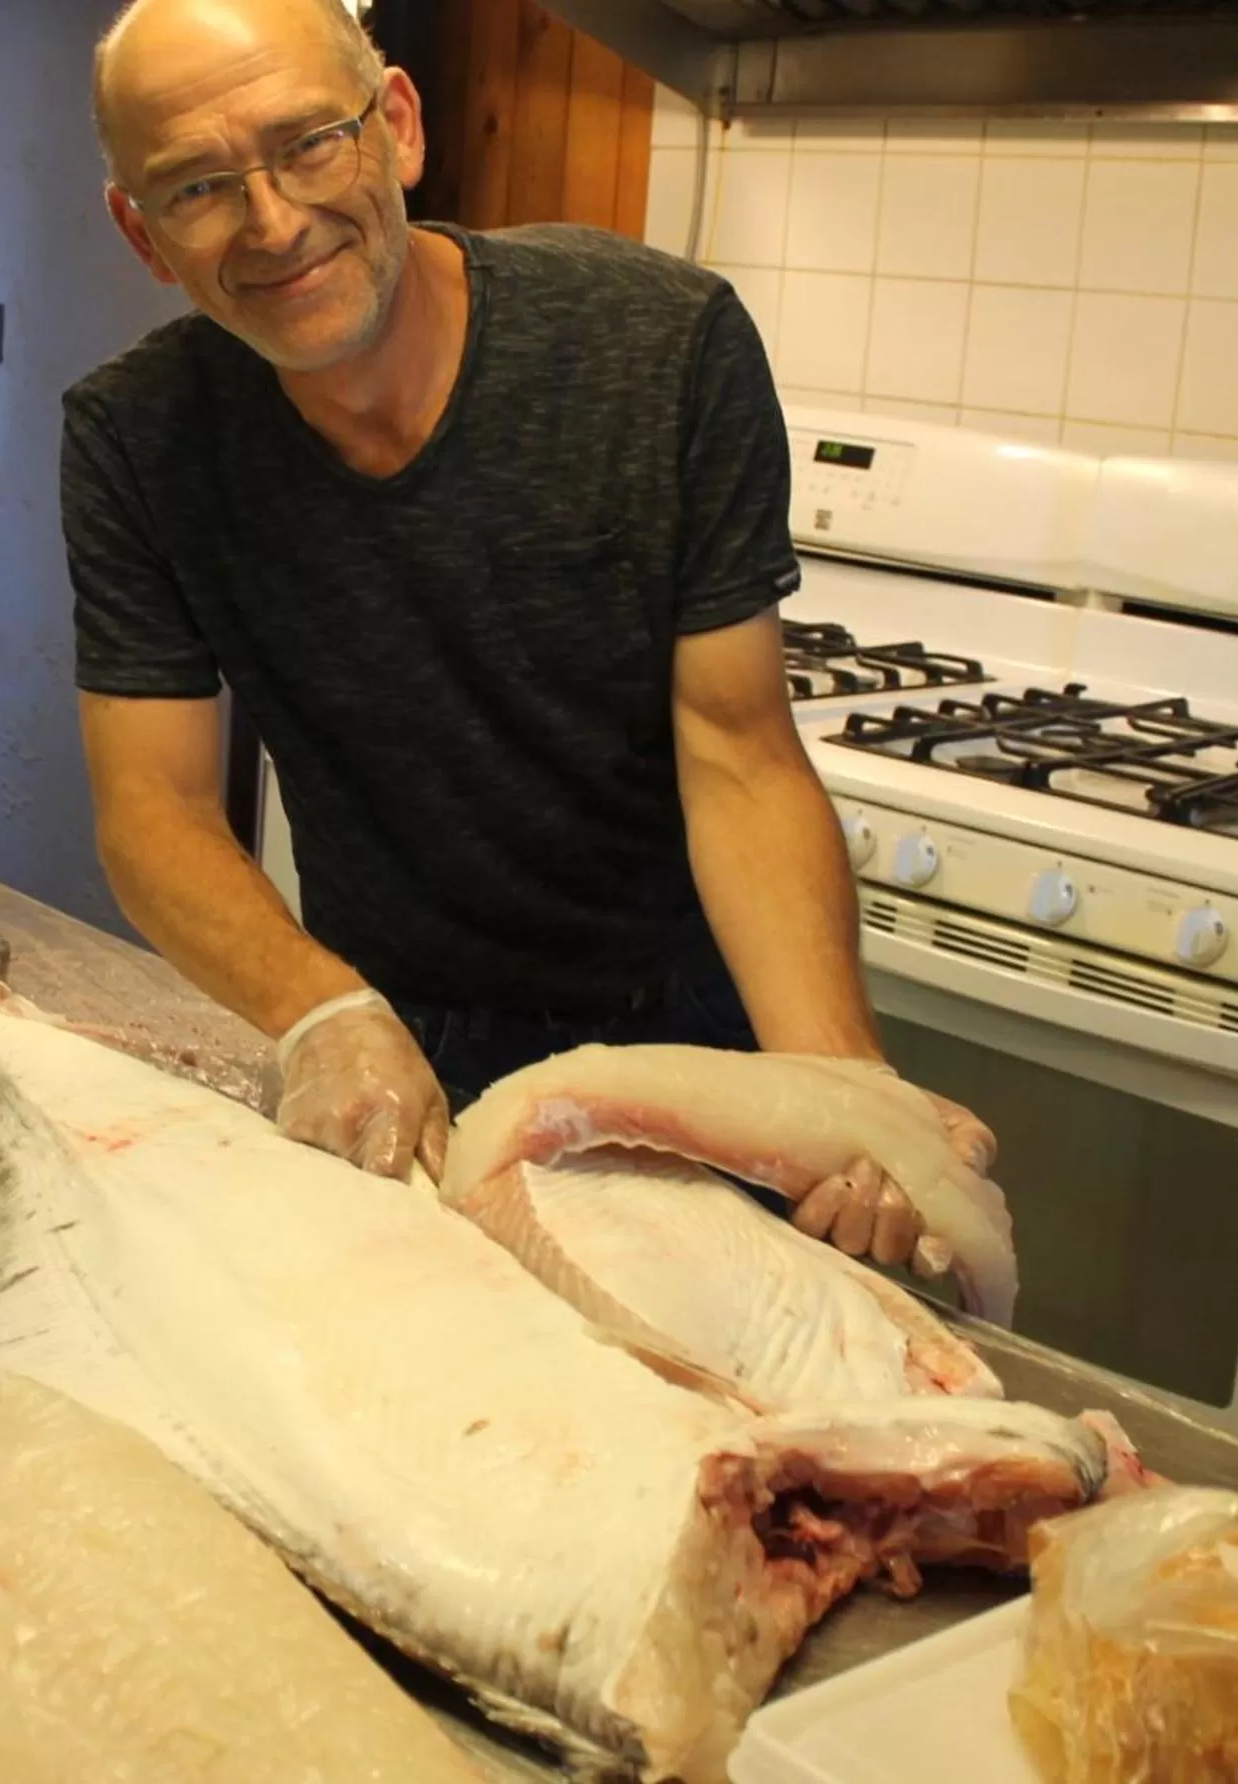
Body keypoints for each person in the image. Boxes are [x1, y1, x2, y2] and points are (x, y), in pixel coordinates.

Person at [64, 0, 993, 1265]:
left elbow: (738, 749)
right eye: (198, 186)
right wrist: (320, 1011)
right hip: (389, 1041)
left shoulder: (659, 346)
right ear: (143, 234)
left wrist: (837, 1086)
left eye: (309, 144)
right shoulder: (135, 437)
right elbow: (154, 810)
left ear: (397, 126)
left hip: (703, 1052)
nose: (273, 220)